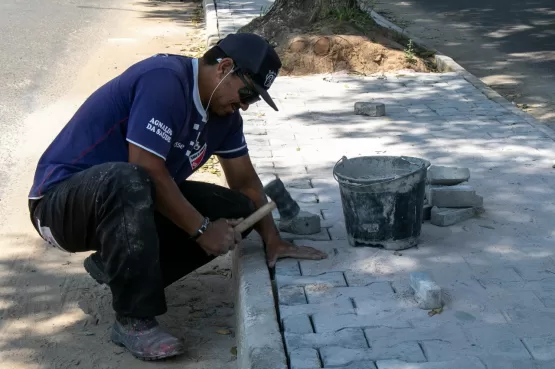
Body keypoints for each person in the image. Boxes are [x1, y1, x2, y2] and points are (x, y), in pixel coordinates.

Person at [27, 32, 327, 361]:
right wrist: (200, 229)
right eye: (247, 93)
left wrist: (272, 238)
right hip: (59, 205)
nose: (244, 104)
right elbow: (146, 166)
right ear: (225, 67)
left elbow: (243, 182)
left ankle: (117, 266)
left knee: (239, 211)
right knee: (131, 176)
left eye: (252, 100)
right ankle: (134, 320)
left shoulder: (224, 118)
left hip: (125, 199)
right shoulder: (165, 81)